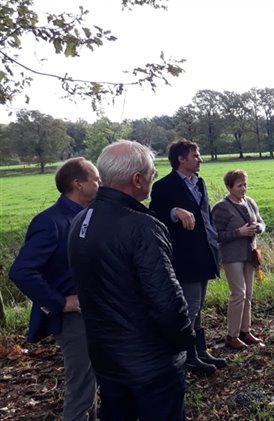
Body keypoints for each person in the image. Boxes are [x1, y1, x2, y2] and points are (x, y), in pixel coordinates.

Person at [69, 140, 194, 421]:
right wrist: (186, 340)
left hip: (105, 356)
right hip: (151, 362)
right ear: (137, 180)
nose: (153, 179)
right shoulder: (143, 226)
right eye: (152, 174)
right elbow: (165, 300)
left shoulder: (80, 220)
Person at [9, 157, 99, 421]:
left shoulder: (87, 216)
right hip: (72, 319)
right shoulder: (50, 222)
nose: (100, 184)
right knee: (80, 386)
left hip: (93, 312)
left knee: (92, 378)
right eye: (95, 179)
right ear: (78, 184)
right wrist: (61, 302)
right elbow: (21, 271)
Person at [149, 139, 225, 375]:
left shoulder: (199, 182)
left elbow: (205, 216)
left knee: (199, 305)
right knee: (190, 306)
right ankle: (186, 356)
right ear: (181, 159)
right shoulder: (164, 186)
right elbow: (154, 215)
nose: (199, 159)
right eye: (195, 155)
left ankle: (200, 351)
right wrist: (174, 212)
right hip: (184, 256)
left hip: (205, 252)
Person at [212, 169, 266, 349]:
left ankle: (245, 330)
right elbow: (215, 235)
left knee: (248, 294)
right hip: (232, 255)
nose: (244, 188)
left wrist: (258, 227)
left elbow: (262, 222)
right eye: (239, 185)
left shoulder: (250, 202)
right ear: (229, 187)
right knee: (238, 294)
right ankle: (232, 335)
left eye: (245, 184)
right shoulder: (221, 207)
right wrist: (239, 232)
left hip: (249, 254)